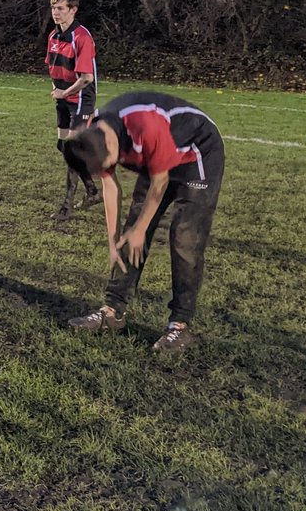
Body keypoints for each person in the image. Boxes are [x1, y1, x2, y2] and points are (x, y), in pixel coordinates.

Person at [63, 92, 225, 354]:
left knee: (184, 236)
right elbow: (111, 189)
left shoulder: (145, 125)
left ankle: (179, 325)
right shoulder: (92, 139)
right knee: (130, 235)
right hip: (157, 159)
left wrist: (140, 230)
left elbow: (160, 183)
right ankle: (112, 311)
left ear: (113, 147)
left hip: (197, 153)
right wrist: (114, 242)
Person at [46, 0, 100, 221]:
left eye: (60, 8)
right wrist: (57, 90)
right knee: (63, 146)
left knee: (72, 150)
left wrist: (64, 93)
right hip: (63, 96)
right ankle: (92, 190)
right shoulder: (53, 36)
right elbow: (52, 66)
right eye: (53, 8)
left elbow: (86, 78)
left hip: (80, 99)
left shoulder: (82, 37)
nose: (55, 13)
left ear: (73, 10)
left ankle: (66, 206)